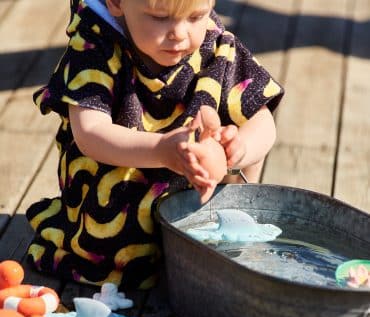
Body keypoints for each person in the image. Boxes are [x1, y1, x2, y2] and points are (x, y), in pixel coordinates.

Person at [26, 0, 284, 290]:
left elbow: (263, 120)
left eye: (196, 16)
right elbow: (90, 133)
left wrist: (240, 147)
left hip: (199, 211)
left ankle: (224, 248)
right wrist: (161, 149)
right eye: (159, 18)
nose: (178, 33)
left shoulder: (216, 47)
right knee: (111, 254)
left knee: (244, 128)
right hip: (118, 208)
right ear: (115, 3)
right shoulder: (95, 45)